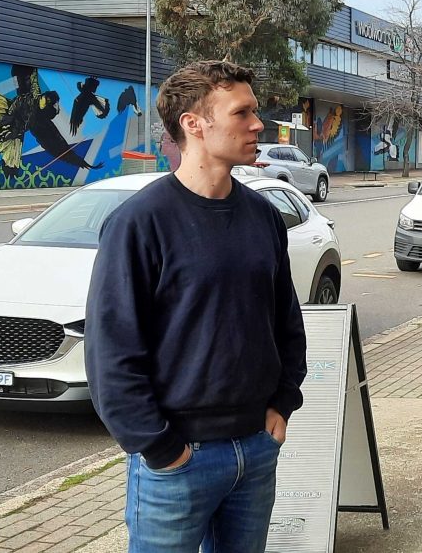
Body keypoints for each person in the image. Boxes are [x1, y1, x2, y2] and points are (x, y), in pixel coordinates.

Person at [85, 60, 307, 552]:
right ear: (193, 124)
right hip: (177, 462)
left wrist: (281, 403)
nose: (258, 124)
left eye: (256, 111)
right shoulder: (139, 223)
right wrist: (161, 448)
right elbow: (111, 352)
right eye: (242, 113)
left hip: (256, 446)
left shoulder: (264, 217)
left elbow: (286, 322)